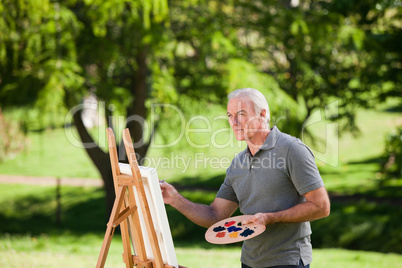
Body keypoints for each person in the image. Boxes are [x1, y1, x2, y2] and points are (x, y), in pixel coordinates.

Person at [160, 88, 330, 268]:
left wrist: (271, 218)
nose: (234, 121)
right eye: (229, 115)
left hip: (288, 261)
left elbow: (321, 206)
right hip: (249, 262)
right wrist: (175, 199)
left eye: (241, 114)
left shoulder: (291, 149)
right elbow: (216, 215)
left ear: (262, 114)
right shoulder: (238, 163)